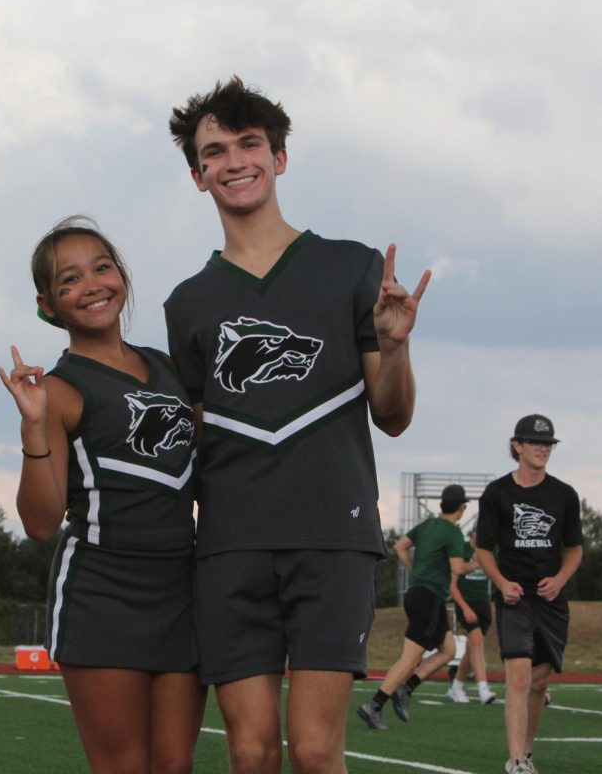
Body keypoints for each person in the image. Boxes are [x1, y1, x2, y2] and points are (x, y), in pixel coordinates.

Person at [164, 76, 430, 773]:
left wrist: (395, 349)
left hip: (330, 539)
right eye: (215, 151)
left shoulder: (352, 267)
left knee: (314, 750)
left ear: (279, 158)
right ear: (198, 176)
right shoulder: (187, 303)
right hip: (230, 546)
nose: (235, 161)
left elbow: (392, 416)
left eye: (250, 143)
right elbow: (192, 438)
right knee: (250, 753)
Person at [0, 216, 205, 774]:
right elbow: (41, 524)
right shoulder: (60, 391)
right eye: (69, 280)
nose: (91, 286)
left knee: (175, 766)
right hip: (104, 593)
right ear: (49, 304)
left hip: (181, 589)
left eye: (102, 268)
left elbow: (209, 472)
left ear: (123, 277)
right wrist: (33, 426)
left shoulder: (170, 370)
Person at [475, 415, 583, 774]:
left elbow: (574, 549)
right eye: (535, 442)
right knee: (518, 675)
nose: (542, 449)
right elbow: (484, 549)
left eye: (547, 443)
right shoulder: (497, 493)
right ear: (517, 446)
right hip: (514, 599)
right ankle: (516, 760)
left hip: (551, 601)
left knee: (539, 682)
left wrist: (561, 578)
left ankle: (528, 752)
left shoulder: (564, 495)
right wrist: (502, 583)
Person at [356, 484, 477, 729]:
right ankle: (375, 704)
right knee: (410, 658)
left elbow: (400, 546)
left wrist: (414, 569)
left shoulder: (427, 525)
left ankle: (407, 688)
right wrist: (475, 564)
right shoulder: (453, 532)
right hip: (430, 597)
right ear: (462, 508)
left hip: (418, 594)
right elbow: (457, 568)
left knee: (449, 650)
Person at [448, 528, 498, 705]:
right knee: (477, 641)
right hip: (466, 603)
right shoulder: (461, 550)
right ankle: (483, 688)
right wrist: (464, 607)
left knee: (472, 649)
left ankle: (456, 686)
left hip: (483, 604)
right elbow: (451, 585)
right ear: (473, 534)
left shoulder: (491, 551)